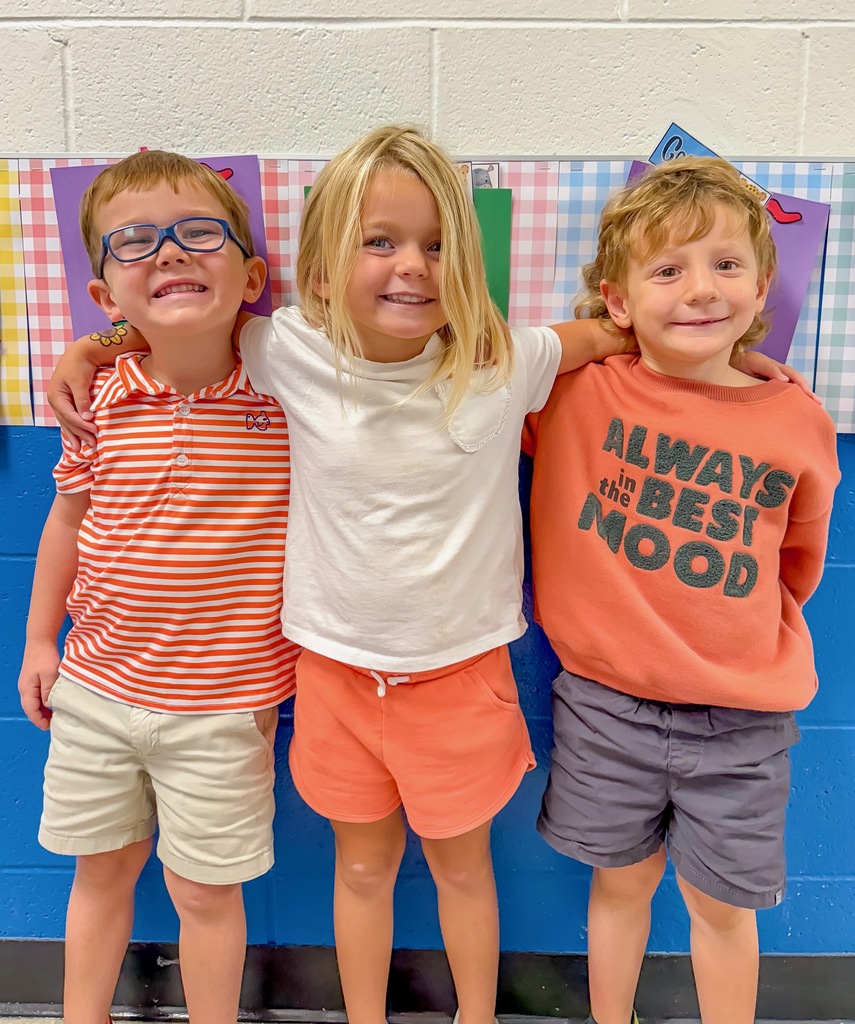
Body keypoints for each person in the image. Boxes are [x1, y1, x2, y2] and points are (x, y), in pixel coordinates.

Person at [47, 130, 804, 1024]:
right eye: (380, 242)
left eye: (438, 245)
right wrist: (96, 345)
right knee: (360, 868)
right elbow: (182, 312)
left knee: (460, 867)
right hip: (332, 676)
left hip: (461, 676)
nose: (411, 267)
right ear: (321, 272)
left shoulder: (503, 365)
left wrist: (728, 359)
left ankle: (473, 1014)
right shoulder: (285, 350)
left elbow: (619, 328)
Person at [524, 156, 840, 1024]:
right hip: (605, 707)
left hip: (740, 720)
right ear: (618, 300)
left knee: (721, 909)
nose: (700, 290)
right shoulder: (571, 394)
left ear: (761, 283)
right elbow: (482, 376)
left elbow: (800, 559)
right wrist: (594, 337)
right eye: (667, 270)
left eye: (725, 265)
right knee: (619, 888)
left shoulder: (794, 419)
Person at [18, 150, 300, 1024]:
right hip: (96, 692)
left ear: (251, 276)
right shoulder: (97, 394)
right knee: (99, 873)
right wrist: (37, 641)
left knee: (205, 893)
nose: (170, 254)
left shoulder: (286, 389)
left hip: (225, 705)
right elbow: (65, 522)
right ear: (105, 296)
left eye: (198, 234)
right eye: (136, 242)